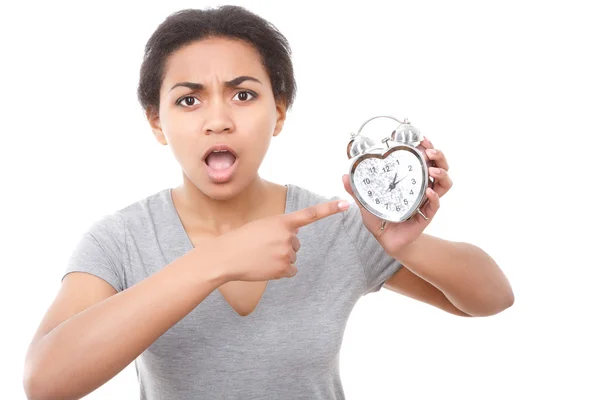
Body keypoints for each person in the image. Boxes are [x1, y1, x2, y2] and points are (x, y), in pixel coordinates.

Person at [23, 5, 514, 400]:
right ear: (157, 122)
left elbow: (491, 300)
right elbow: (45, 383)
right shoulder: (121, 239)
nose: (217, 120)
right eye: (188, 100)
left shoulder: (335, 226)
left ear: (278, 113)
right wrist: (217, 261)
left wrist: (406, 244)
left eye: (243, 95)